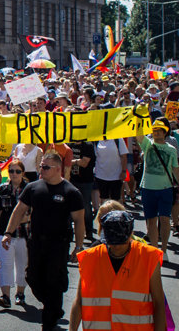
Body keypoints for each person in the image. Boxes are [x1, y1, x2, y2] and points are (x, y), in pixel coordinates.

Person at [2, 151, 85, 331]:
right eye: (41, 166)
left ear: (57, 169)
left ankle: (49, 319)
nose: (42, 169)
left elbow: (79, 220)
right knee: (32, 276)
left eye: (46, 167)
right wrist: (8, 232)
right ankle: (53, 304)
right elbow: (18, 210)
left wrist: (79, 246)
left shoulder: (71, 192)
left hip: (59, 244)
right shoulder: (33, 188)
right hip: (36, 242)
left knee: (53, 280)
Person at [69, 210, 168, 331]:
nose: (116, 247)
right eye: (112, 242)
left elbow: (158, 303)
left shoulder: (149, 257)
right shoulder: (89, 258)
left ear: (131, 234)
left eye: (121, 242)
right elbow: (79, 302)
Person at [0, 158, 28, 308]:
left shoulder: (29, 189)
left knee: (22, 264)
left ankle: (20, 293)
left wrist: (25, 218)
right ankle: (5, 295)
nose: (14, 174)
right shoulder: (3, 189)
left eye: (17, 171)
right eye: (11, 171)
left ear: (22, 172)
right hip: (4, 233)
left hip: (24, 234)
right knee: (5, 264)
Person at [140, 118, 179, 255]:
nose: (156, 133)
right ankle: (154, 251)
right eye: (154, 130)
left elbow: (175, 169)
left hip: (165, 189)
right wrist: (139, 115)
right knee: (151, 221)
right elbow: (138, 134)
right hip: (147, 188)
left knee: (165, 219)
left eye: (159, 131)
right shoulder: (147, 144)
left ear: (165, 132)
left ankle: (163, 249)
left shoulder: (172, 149)